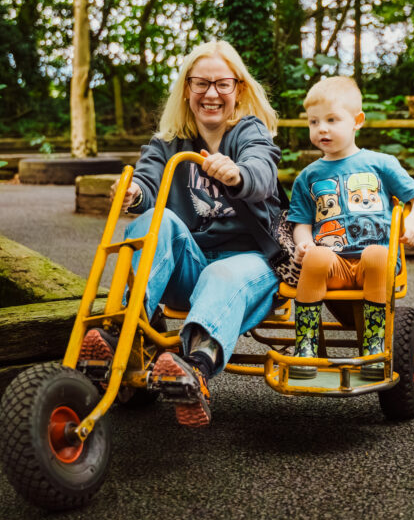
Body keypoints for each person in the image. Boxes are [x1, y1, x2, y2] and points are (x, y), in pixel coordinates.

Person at [79, 40, 282, 427]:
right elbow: (147, 182)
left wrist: (238, 173)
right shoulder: (167, 143)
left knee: (221, 274)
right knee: (157, 219)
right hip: (189, 265)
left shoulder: (250, 132)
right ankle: (123, 331)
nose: (211, 94)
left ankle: (194, 370)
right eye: (201, 83)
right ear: (187, 89)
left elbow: (262, 172)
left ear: (238, 89)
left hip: (248, 263)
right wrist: (134, 192)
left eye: (222, 84)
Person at [287, 76, 414, 380]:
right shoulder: (308, 176)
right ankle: (305, 347)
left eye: (332, 120)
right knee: (315, 256)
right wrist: (303, 243)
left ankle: (373, 347)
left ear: (357, 121)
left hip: (375, 263)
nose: (322, 128)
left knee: (377, 254)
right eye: (314, 122)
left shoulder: (380, 163)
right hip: (334, 263)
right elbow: (302, 222)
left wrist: (410, 224)